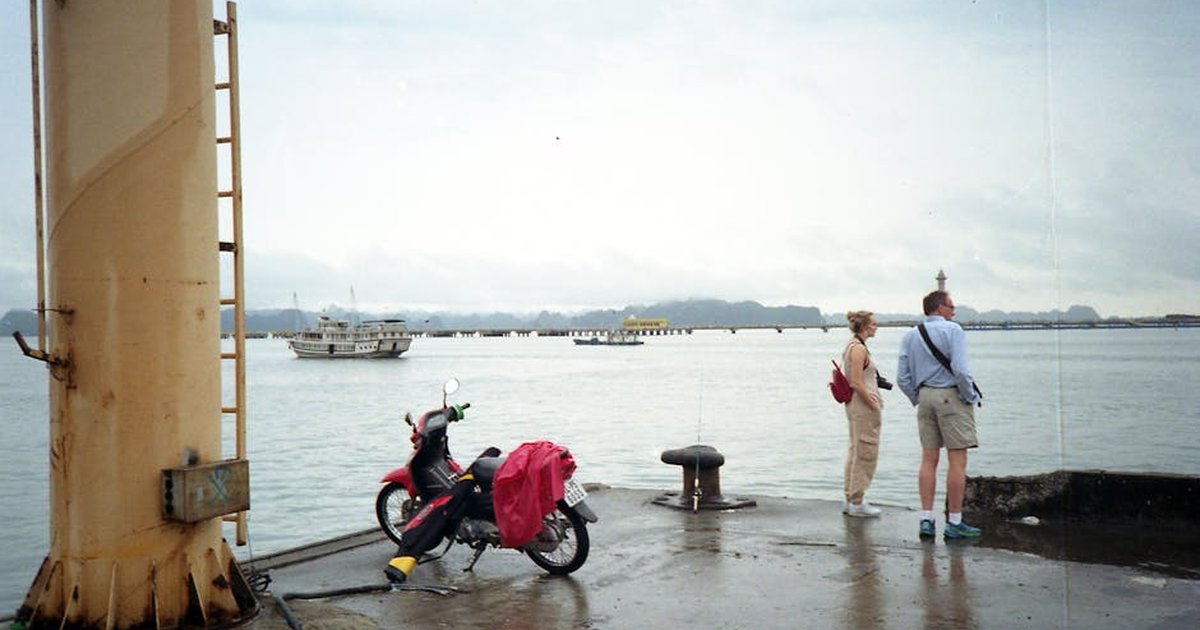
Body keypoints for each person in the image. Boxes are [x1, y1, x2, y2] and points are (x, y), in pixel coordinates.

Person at [897, 290, 982, 540]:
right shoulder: (953, 330)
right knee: (957, 461)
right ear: (939, 308)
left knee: (928, 459)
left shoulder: (911, 335)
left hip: (924, 397)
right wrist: (968, 396)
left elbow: (902, 377)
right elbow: (962, 370)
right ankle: (954, 522)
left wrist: (917, 397)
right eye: (951, 306)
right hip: (950, 396)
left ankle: (926, 519)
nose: (953, 311)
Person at [842, 310, 884, 517]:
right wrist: (873, 404)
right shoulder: (858, 349)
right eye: (874, 324)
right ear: (865, 326)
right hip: (862, 407)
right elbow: (856, 382)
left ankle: (851, 498)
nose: (876, 327)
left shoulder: (851, 345)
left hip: (854, 406)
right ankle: (857, 501)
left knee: (856, 449)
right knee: (866, 452)